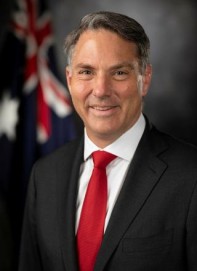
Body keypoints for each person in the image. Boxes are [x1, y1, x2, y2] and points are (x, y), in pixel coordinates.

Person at [18, 11, 197, 271]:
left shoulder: (191, 177)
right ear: (69, 80)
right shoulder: (45, 176)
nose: (100, 90)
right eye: (86, 71)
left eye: (120, 73)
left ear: (144, 79)